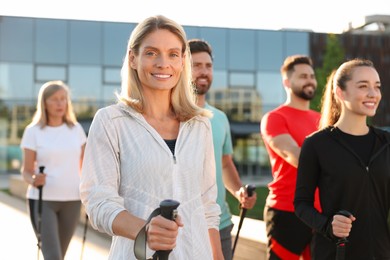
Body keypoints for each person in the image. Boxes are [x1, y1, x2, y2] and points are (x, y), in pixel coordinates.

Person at [79, 15, 224, 260]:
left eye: (173, 54)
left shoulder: (200, 125)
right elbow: (98, 201)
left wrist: (217, 256)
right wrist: (145, 229)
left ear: (182, 62)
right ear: (133, 58)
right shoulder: (110, 121)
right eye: (151, 53)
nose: (163, 63)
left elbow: (207, 205)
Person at [294, 58, 390, 259]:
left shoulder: (386, 142)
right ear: (340, 92)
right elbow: (301, 204)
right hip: (336, 253)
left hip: (381, 252)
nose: (373, 93)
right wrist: (328, 225)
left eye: (377, 86)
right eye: (363, 86)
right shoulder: (316, 144)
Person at [188, 38, 257, 260]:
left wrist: (239, 191)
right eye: (196, 65)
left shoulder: (220, 118)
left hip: (221, 224)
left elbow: (225, 163)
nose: (204, 71)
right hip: (182, 226)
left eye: (208, 66)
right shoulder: (167, 117)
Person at [260, 55, 321, 259]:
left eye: (312, 76)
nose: (310, 80)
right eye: (303, 76)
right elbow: (295, 155)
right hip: (287, 211)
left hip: (320, 213)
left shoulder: (322, 119)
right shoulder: (275, 118)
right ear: (287, 82)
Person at [20, 80, 87, 260]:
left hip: (72, 200)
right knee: (53, 257)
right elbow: (26, 171)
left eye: (63, 99)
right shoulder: (33, 132)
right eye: (55, 99)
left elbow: (86, 166)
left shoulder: (76, 129)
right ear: (44, 103)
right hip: (43, 200)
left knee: (60, 256)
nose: (60, 104)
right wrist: (34, 179)